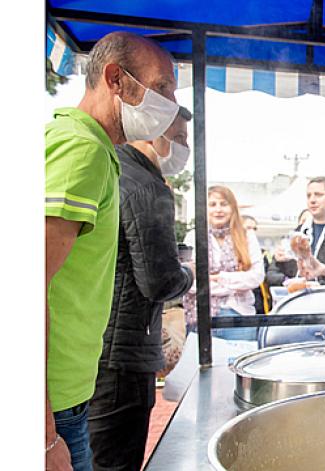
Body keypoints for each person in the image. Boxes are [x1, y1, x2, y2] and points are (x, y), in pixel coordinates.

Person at [45, 31, 178, 471]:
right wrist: (43, 437)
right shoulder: (82, 149)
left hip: (75, 390)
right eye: (162, 87)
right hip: (54, 406)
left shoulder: (100, 152)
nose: (171, 103)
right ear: (116, 79)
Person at [87, 106, 194, 471]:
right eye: (178, 139)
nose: (183, 148)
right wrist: (188, 274)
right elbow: (160, 281)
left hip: (95, 348)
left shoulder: (111, 167)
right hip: (125, 357)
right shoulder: (147, 187)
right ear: (154, 133)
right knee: (117, 461)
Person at [183, 186, 265, 341]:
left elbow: (256, 276)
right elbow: (190, 282)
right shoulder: (193, 237)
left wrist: (218, 277)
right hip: (200, 316)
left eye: (224, 204)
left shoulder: (247, 236)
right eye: (213, 204)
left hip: (239, 317)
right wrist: (234, 284)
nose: (218, 209)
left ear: (232, 207)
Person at [242, 215, 273, 314]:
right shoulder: (231, 254)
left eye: (254, 229)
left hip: (262, 307)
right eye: (248, 228)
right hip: (243, 309)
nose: (252, 232)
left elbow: (270, 277)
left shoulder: (262, 254)